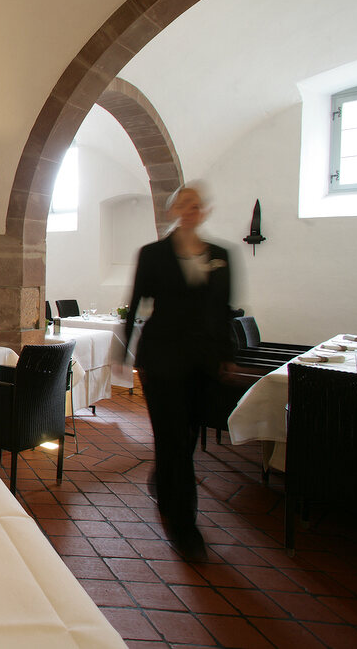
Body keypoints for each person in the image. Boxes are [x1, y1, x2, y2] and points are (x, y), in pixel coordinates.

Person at [124, 184, 234, 561]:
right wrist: (129, 353)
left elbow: (224, 310)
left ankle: (164, 480)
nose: (192, 209)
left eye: (198, 204)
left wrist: (226, 355)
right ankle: (183, 526)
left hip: (203, 364)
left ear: (205, 211)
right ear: (174, 210)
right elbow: (136, 301)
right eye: (185, 203)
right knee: (172, 439)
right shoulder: (154, 255)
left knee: (187, 437)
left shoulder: (221, 255)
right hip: (162, 361)